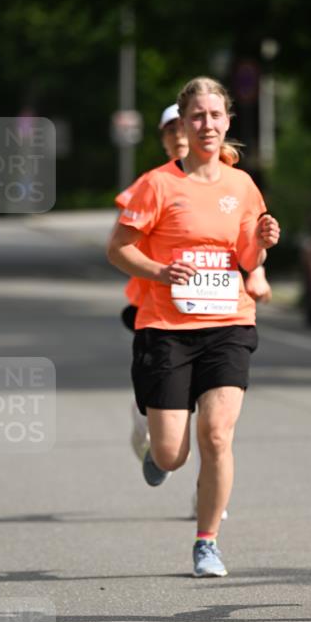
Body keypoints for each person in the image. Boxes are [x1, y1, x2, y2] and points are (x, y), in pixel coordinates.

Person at [107, 77, 280, 577]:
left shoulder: (241, 186)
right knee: (171, 454)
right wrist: (160, 271)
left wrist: (263, 242)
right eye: (197, 116)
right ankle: (155, 447)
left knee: (218, 435)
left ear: (227, 121)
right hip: (166, 326)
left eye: (215, 115)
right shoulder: (157, 184)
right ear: (183, 124)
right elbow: (118, 249)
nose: (207, 124)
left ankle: (207, 542)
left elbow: (246, 258)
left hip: (229, 324)